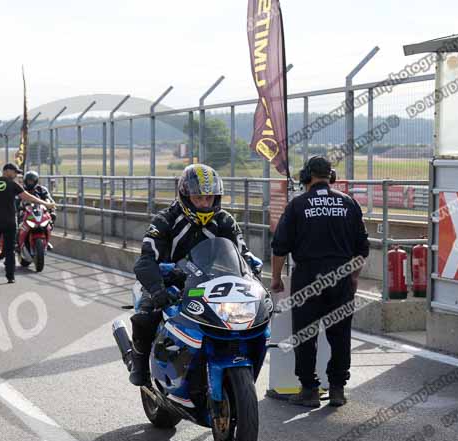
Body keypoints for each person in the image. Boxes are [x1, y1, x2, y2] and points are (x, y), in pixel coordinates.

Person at [129, 163, 262, 386]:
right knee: (145, 317)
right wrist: (158, 290)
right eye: (198, 198)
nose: (204, 203)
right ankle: (139, 364)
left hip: (213, 284)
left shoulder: (225, 220)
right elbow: (146, 261)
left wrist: (253, 273)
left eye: (209, 198)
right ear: (185, 196)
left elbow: (243, 254)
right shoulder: (165, 220)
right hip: (169, 284)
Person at [270, 156, 369, 408]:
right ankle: (337, 389)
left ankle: (309, 390)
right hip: (341, 277)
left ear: (307, 177)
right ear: (330, 176)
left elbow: (279, 248)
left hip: (308, 278)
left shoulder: (297, 205)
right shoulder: (349, 203)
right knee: (340, 336)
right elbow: (362, 249)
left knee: (305, 335)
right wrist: (353, 278)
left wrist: (276, 278)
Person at [0, 163, 56, 283]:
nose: (16, 175)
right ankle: (10, 277)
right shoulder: (13, 185)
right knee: (9, 250)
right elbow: (28, 197)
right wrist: (46, 204)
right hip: (9, 222)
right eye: (15, 172)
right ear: (7, 171)